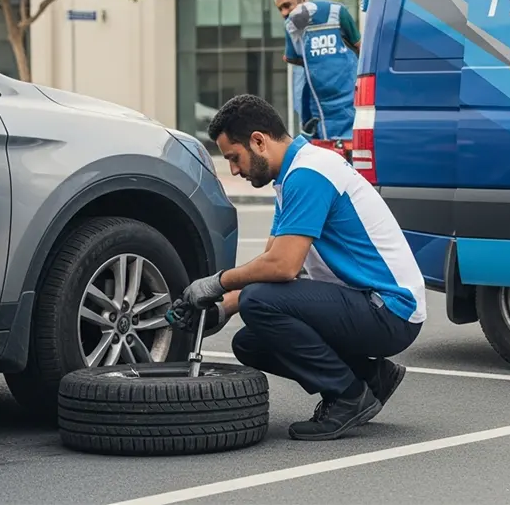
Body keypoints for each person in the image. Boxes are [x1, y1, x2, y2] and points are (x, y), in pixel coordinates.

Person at [174, 94, 427, 440]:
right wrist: (223, 308)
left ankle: (348, 396)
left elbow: (283, 267)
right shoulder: (292, 175)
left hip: (390, 309)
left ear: (258, 141)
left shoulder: (310, 173)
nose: (233, 170)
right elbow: (270, 260)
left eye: (234, 157)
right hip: (367, 304)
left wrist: (216, 282)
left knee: (259, 302)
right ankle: (371, 377)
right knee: (249, 343)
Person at [272, 0, 362, 142]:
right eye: (280, 9)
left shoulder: (335, 12)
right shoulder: (334, 11)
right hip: (325, 103)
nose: (284, 13)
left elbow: (359, 45)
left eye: (287, 5)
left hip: (345, 95)